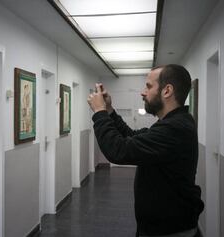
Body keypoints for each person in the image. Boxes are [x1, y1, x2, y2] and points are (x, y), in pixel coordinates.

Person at [87, 64, 204, 237]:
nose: (143, 92)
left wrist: (99, 112)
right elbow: (131, 136)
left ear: (167, 91)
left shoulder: (175, 128)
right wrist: (110, 111)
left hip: (170, 231)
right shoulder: (172, 122)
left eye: (148, 86)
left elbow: (118, 150)